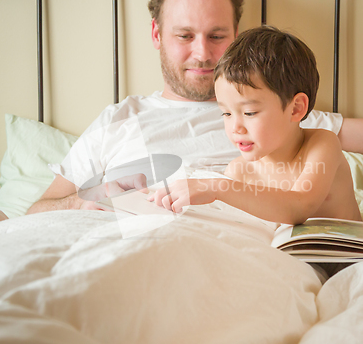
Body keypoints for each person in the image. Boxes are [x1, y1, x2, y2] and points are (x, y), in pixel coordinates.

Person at [26, 0, 363, 215]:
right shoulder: (118, 119)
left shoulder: (281, 114)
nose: (202, 53)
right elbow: (35, 212)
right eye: (184, 35)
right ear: (157, 34)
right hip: (120, 237)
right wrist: (85, 200)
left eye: (217, 36)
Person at [150, 26, 361, 224]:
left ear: (296, 108)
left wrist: (218, 186)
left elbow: (301, 205)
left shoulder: (321, 144)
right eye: (226, 113)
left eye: (249, 112)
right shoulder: (239, 171)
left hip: (347, 257)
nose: (235, 127)